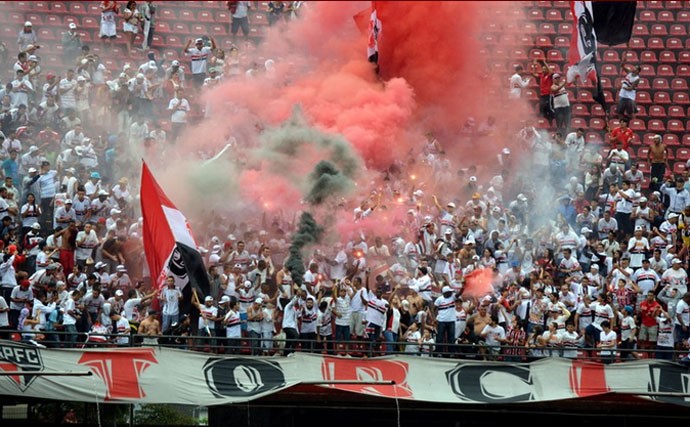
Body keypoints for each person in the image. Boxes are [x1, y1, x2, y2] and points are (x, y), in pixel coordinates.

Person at [531, 58, 554, 125]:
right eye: (543, 69)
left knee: (549, 109)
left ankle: (551, 122)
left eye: (545, 69)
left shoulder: (549, 76)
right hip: (542, 95)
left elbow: (551, 72)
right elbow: (534, 73)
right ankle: (543, 122)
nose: (543, 70)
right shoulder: (541, 76)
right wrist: (534, 65)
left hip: (548, 95)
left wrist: (544, 62)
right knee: (542, 109)